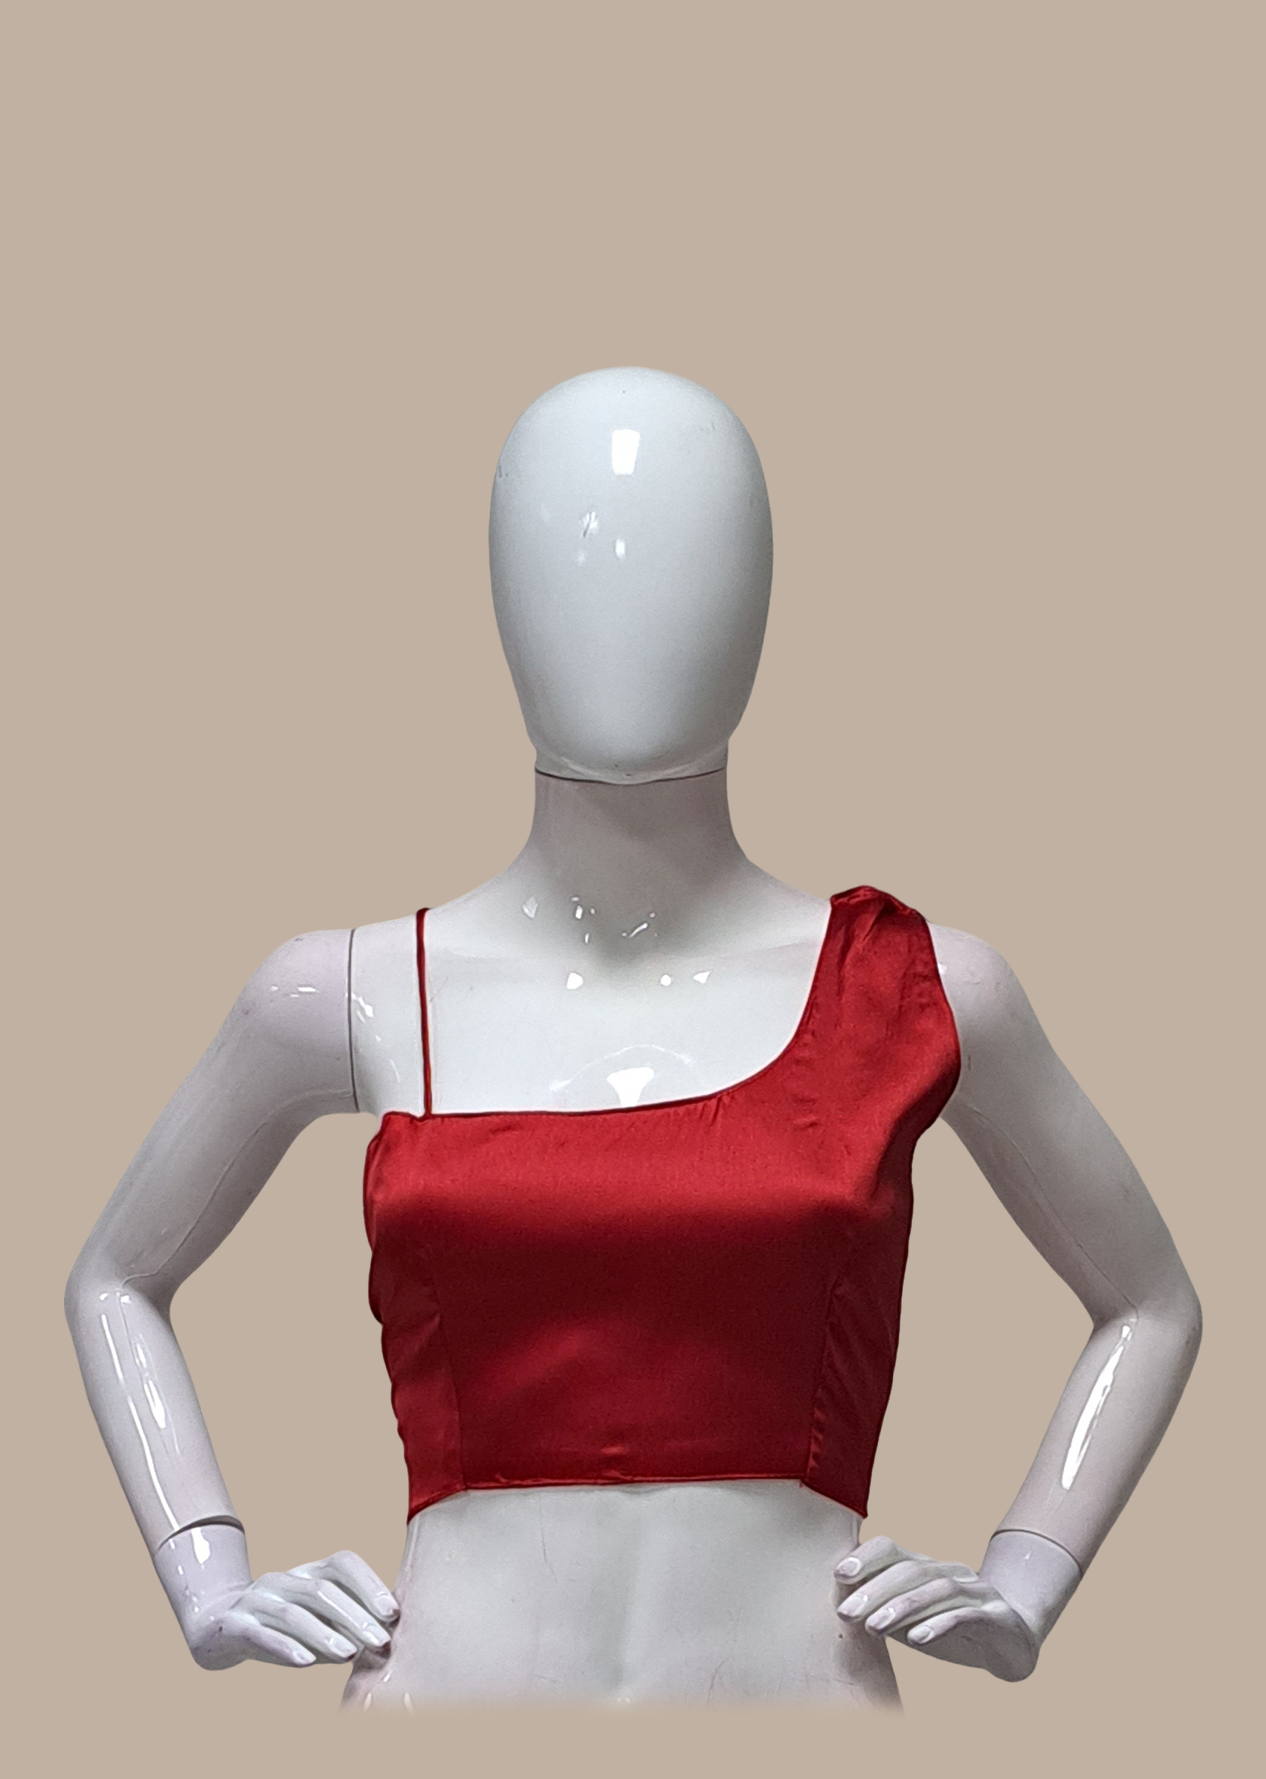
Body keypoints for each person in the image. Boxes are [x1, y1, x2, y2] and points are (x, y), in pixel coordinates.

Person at [64, 367, 1202, 1708]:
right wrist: (205, 1575)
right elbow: (115, 1278)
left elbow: (1150, 1302)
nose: (621, 605)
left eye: (686, 554)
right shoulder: (352, 990)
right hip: (447, 1723)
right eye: (567, 558)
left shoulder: (918, 989)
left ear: (759, 596)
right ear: (499, 598)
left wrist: (1026, 1580)